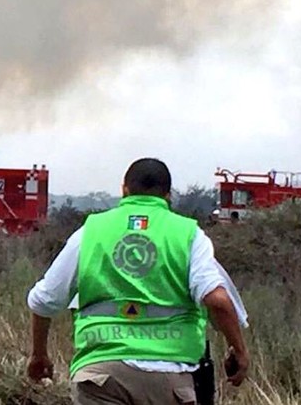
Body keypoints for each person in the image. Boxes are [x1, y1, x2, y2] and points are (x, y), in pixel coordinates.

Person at [26, 158, 250, 404]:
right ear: (168, 195)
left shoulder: (91, 232)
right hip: (169, 379)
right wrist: (239, 351)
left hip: (101, 377)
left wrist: (39, 356)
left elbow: (44, 300)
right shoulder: (190, 235)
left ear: (124, 189)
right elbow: (217, 300)